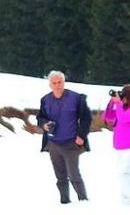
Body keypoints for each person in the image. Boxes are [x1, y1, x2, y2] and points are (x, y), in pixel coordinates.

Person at [37, 70, 91, 204]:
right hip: (53, 143)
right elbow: (40, 117)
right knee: (60, 176)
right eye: (54, 83)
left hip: (71, 142)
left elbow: (86, 118)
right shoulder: (45, 100)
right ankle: (65, 202)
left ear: (64, 82)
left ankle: (84, 201)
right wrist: (44, 125)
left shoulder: (76, 98)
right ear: (50, 85)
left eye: (59, 82)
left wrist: (81, 136)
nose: (57, 85)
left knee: (74, 174)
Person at [103, 84, 130, 206]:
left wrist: (118, 103)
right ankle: (126, 199)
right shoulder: (121, 108)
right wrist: (112, 102)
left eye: (124, 96)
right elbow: (108, 117)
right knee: (121, 174)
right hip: (120, 147)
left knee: (123, 173)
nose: (122, 98)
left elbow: (122, 118)